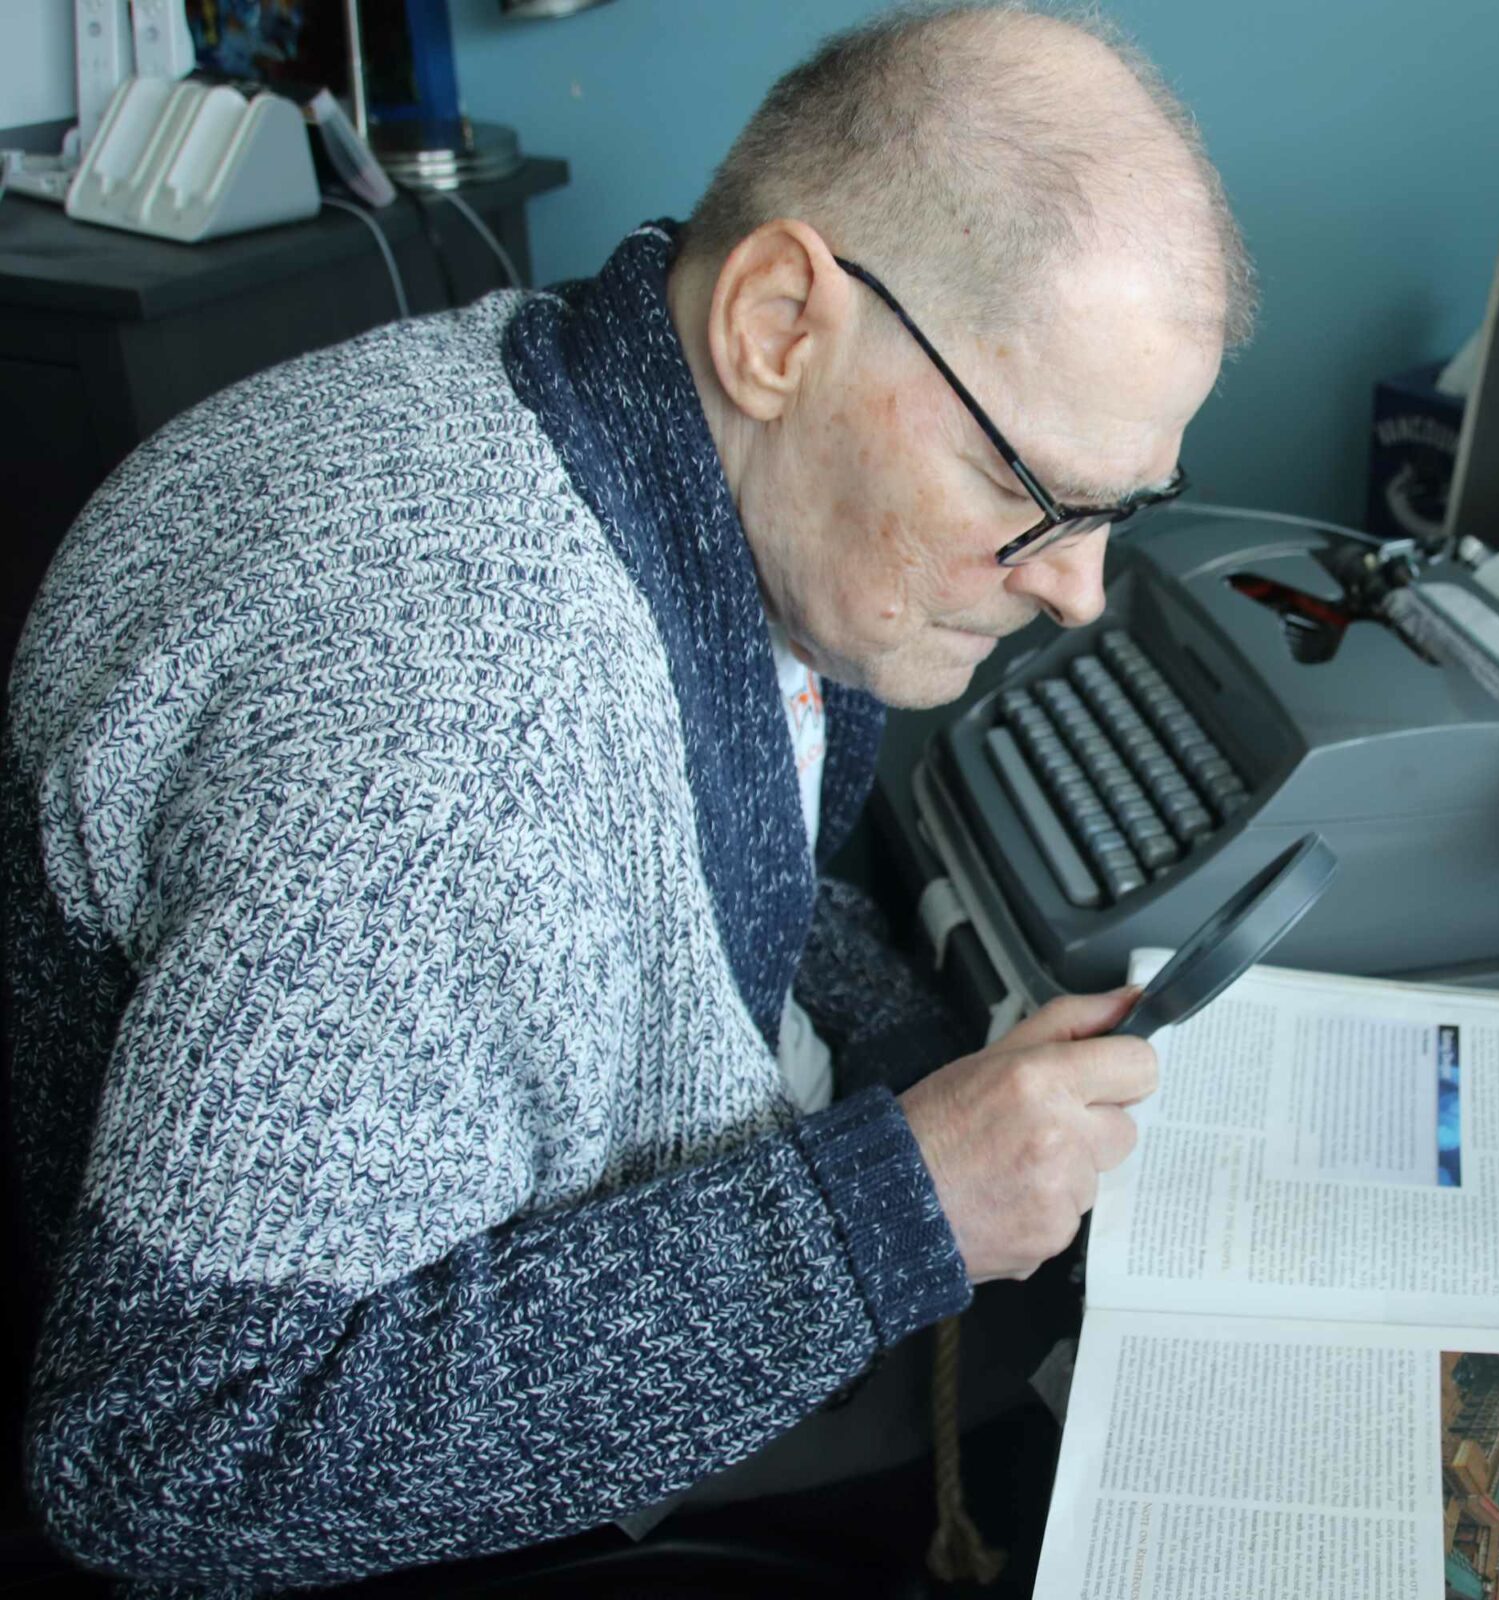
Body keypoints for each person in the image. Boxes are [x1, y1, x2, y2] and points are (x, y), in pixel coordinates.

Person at [1, 3, 1253, 1588]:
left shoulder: (620, 403)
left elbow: (743, 880)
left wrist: (920, 1057)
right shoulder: (450, 735)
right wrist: (889, 1211)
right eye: (1032, 493)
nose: (1081, 589)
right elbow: (166, 1456)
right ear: (782, 321)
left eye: (1126, 504)